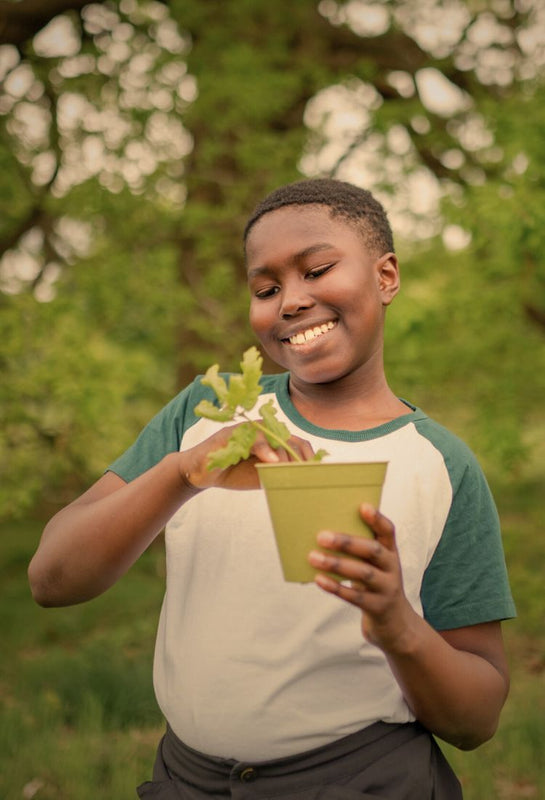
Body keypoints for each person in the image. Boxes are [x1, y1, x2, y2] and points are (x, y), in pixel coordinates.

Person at [28, 178, 515, 799]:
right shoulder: (206, 412)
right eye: (266, 288)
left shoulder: (440, 465)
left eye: (317, 270)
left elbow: (477, 720)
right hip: (186, 782)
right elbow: (51, 579)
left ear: (386, 276)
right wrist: (181, 475)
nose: (291, 301)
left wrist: (398, 627)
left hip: (365, 780)